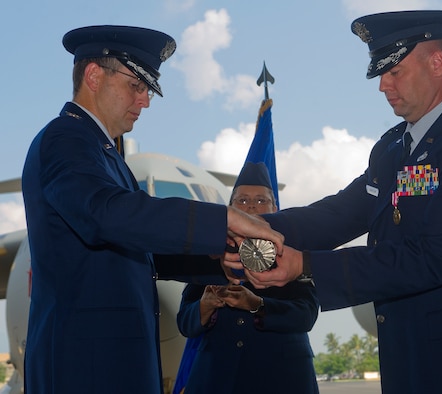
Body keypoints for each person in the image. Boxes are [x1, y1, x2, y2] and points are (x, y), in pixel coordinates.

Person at [224, 10, 442, 394]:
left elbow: (431, 257)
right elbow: (339, 214)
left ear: (437, 63)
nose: (383, 86)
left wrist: (305, 265)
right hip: (409, 359)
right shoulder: (392, 148)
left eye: (395, 72)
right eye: (380, 75)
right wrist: (246, 226)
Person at [21, 26, 283, 394]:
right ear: (94, 75)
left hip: (112, 363)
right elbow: (106, 215)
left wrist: (216, 260)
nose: (145, 101)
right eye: (136, 86)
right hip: (85, 366)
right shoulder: (66, 139)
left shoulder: (103, 153)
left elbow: (134, 247)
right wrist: (221, 218)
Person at [176, 162, 319, 394]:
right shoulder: (211, 254)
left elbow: (306, 315)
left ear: (275, 207)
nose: (251, 205)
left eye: (261, 200)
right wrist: (205, 306)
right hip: (216, 378)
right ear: (230, 209)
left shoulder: (292, 254)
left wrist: (258, 305)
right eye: (242, 200)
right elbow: (184, 322)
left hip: (282, 377)